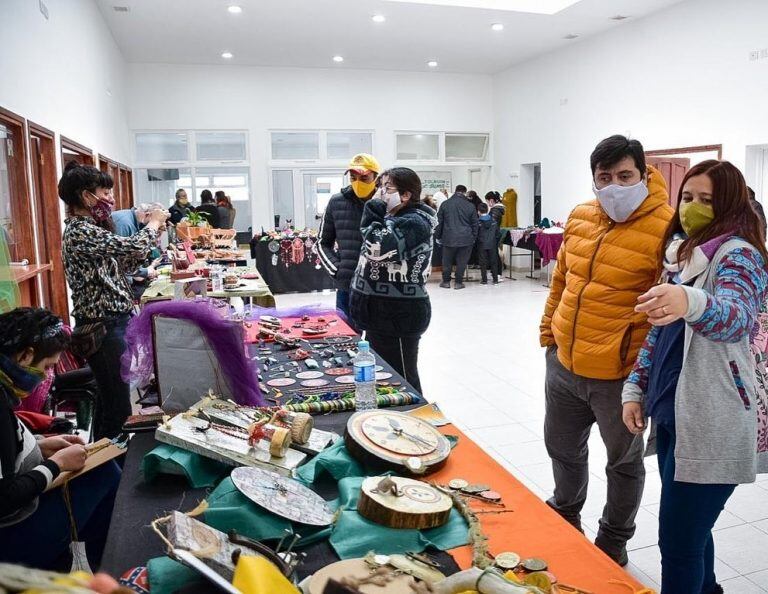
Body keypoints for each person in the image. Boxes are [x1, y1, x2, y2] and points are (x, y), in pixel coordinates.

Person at [622, 161, 768, 592]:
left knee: (679, 542)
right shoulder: (686, 255)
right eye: (687, 197)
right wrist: (636, 386)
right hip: (674, 414)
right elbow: (660, 333)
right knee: (692, 532)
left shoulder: (739, 255)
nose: (693, 208)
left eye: (707, 200)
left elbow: (736, 319)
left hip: (714, 421)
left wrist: (690, 300)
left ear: (730, 205)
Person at [540, 135, 674, 566]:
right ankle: (565, 513)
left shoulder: (667, 228)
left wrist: (642, 377)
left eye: (624, 176)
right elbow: (561, 279)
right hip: (564, 364)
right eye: (605, 177)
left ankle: (613, 540)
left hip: (621, 377)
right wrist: (549, 334)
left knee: (623, 464)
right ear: (594, 179)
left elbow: (666, 309)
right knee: (562, 448)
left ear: (642, 174)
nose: (615, 185)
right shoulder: (580, 216)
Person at [0, 308, 121, 569]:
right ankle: (111, 573)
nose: (46, 376)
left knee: (104, 471)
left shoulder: (4, 390)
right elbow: (4, 497)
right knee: (107, 476)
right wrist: (56, 465)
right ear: (25, 356)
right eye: (46, 367)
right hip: (8, 536)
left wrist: (41, 446)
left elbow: (5, 452)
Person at [59, 162, 168, 439]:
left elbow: (126, 263)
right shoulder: (80, 231)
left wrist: (153, 235)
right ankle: (111, 470)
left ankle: (108, 463)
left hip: (114, 322)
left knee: (113, 402)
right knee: (117, 408)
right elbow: (130, 246)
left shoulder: (93, 229)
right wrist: (153, 223)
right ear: (86, 196)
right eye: (105, 192)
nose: (110, 199)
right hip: (102, 327)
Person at [349, 168, 435, 394]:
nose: (380, 194)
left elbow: (376, 248)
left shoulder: (415, 222)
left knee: (402, 379)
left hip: (397, 316)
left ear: (405, 196)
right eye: (380, 188)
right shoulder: (394, 218)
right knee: (386, 378)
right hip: (381, 314)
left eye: (386, 189)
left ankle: (415, 420)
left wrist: (372, 208)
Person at [317, 153, 381, 319]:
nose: (358, 182)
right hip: (347, 283)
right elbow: (321, 243)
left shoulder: (386, 203)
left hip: (381, 285)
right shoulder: (336, 202)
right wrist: (336, 269)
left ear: (376, 177)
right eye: (353, 177)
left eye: (364, 177)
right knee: (347, 339)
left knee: (379, 341)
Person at [435, 184, 478, 290]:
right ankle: (458, 283)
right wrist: (473, 237)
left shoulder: (445, 204)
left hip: (448, 237)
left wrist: (438, 236)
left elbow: (439, 222)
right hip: (466, 238)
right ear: (464, 193)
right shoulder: (470, 205)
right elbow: (475, 224)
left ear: (455, 191)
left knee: (447, 261)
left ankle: (446, 282)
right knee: (462, 262)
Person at [476, 203, 500, 285]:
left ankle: (484, 280)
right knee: (494, 261)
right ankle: (495, 280)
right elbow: (497, 234)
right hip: (492, 244)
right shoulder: (494, 222)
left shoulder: (478, 222)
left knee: (483, 262)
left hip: (481, 244)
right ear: (487, 210)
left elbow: (475, 234)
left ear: (478, 211)